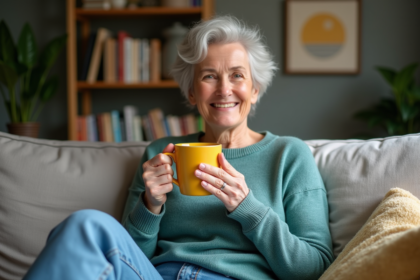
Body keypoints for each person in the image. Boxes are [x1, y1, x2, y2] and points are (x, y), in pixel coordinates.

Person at [24, 16, 334, 280]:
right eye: (209, 76)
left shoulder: (289, 155)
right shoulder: (161, 153)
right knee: (85, 224)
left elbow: (313, 269)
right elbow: (129, 255)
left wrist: (248, 208)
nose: (224, 89)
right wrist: (150, 205)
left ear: (254, 90)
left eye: (237, 75)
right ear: (191, 93)